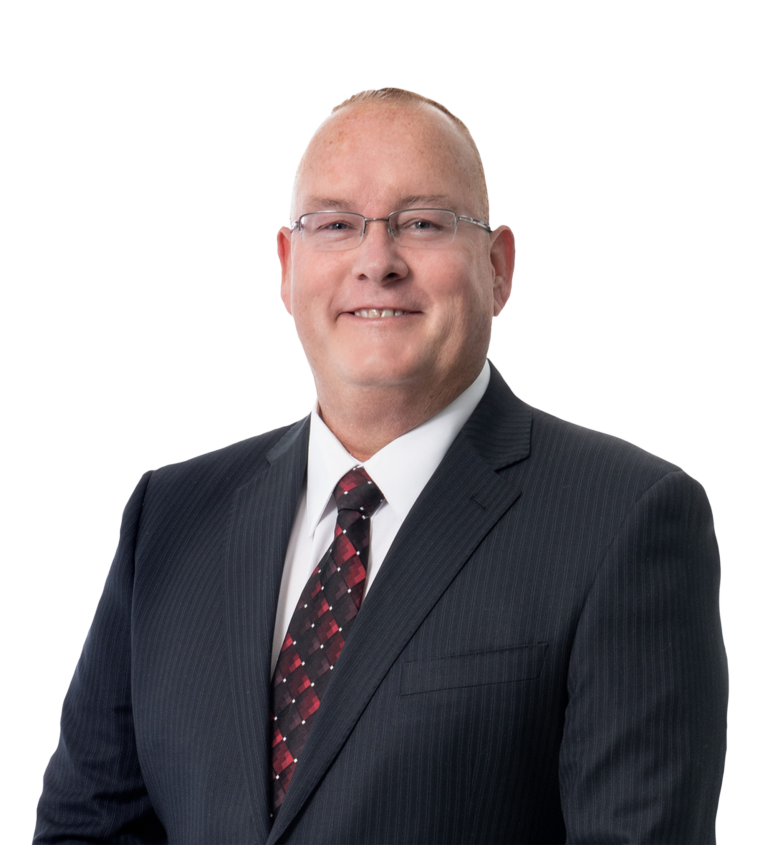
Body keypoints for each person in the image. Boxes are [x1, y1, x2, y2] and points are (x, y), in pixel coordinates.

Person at [32, 86, 729, 845]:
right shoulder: (170, 516)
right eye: (335, 224)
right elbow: (85, 829)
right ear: (286, 265)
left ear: (498, 268)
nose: (376, 262)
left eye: (422, 222)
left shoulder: (624, 519)